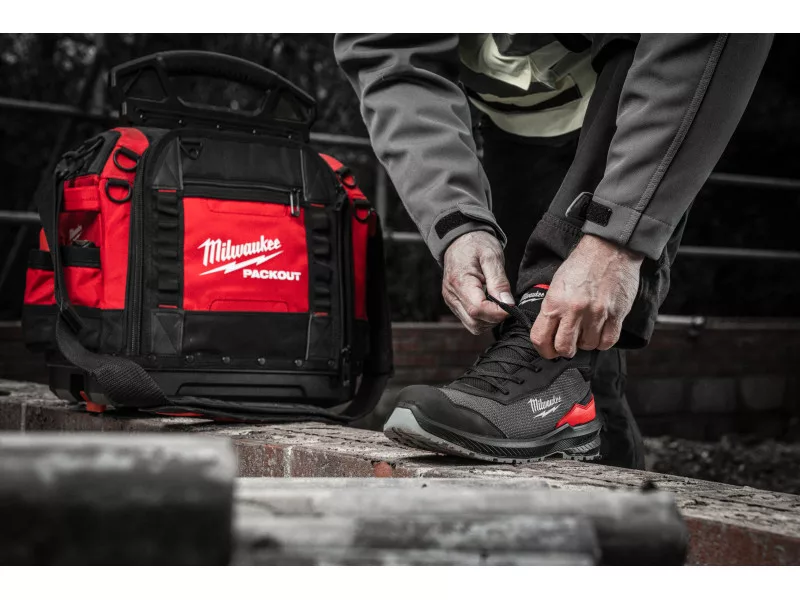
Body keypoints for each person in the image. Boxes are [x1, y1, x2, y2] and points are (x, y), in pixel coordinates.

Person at [335, 34, 773, 465]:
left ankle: (608, 493)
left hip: (635, 94)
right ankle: (569, 446)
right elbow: (391, 57)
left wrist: (617, 238)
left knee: (568, 342)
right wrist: (457, 222)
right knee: (553, 355)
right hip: (517, 122)